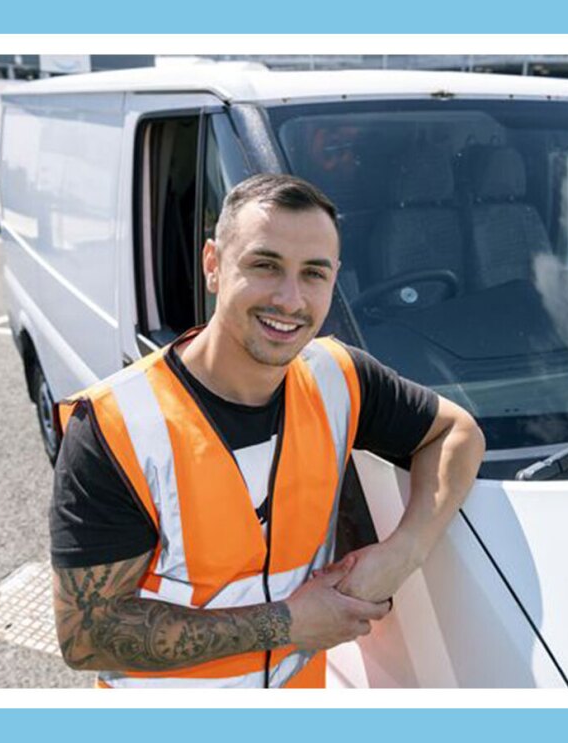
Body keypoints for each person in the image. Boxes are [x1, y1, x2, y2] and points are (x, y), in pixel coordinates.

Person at [49, 174, 486, 688]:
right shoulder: (112, 426)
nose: (290, 299)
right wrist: (289, 624)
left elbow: (459, 433)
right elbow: (86, 636)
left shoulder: (339, 377)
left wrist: (402, 553)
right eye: (265, 265)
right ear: (213, 264)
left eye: (314, 274)